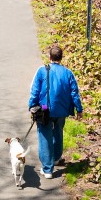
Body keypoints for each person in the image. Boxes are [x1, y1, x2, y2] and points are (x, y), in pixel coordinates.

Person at [28, 43, 83, 178]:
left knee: (44, 135)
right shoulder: (68, 73)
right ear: (61, 58)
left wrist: (31, 106)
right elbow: (74, 93)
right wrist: (79, 109)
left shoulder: (42, 70)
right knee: (58, 132)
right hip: (62, 109)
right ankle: (57, 158)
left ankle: (47, 169)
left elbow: (35, 91)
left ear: (49, 57)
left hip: (45, 108)